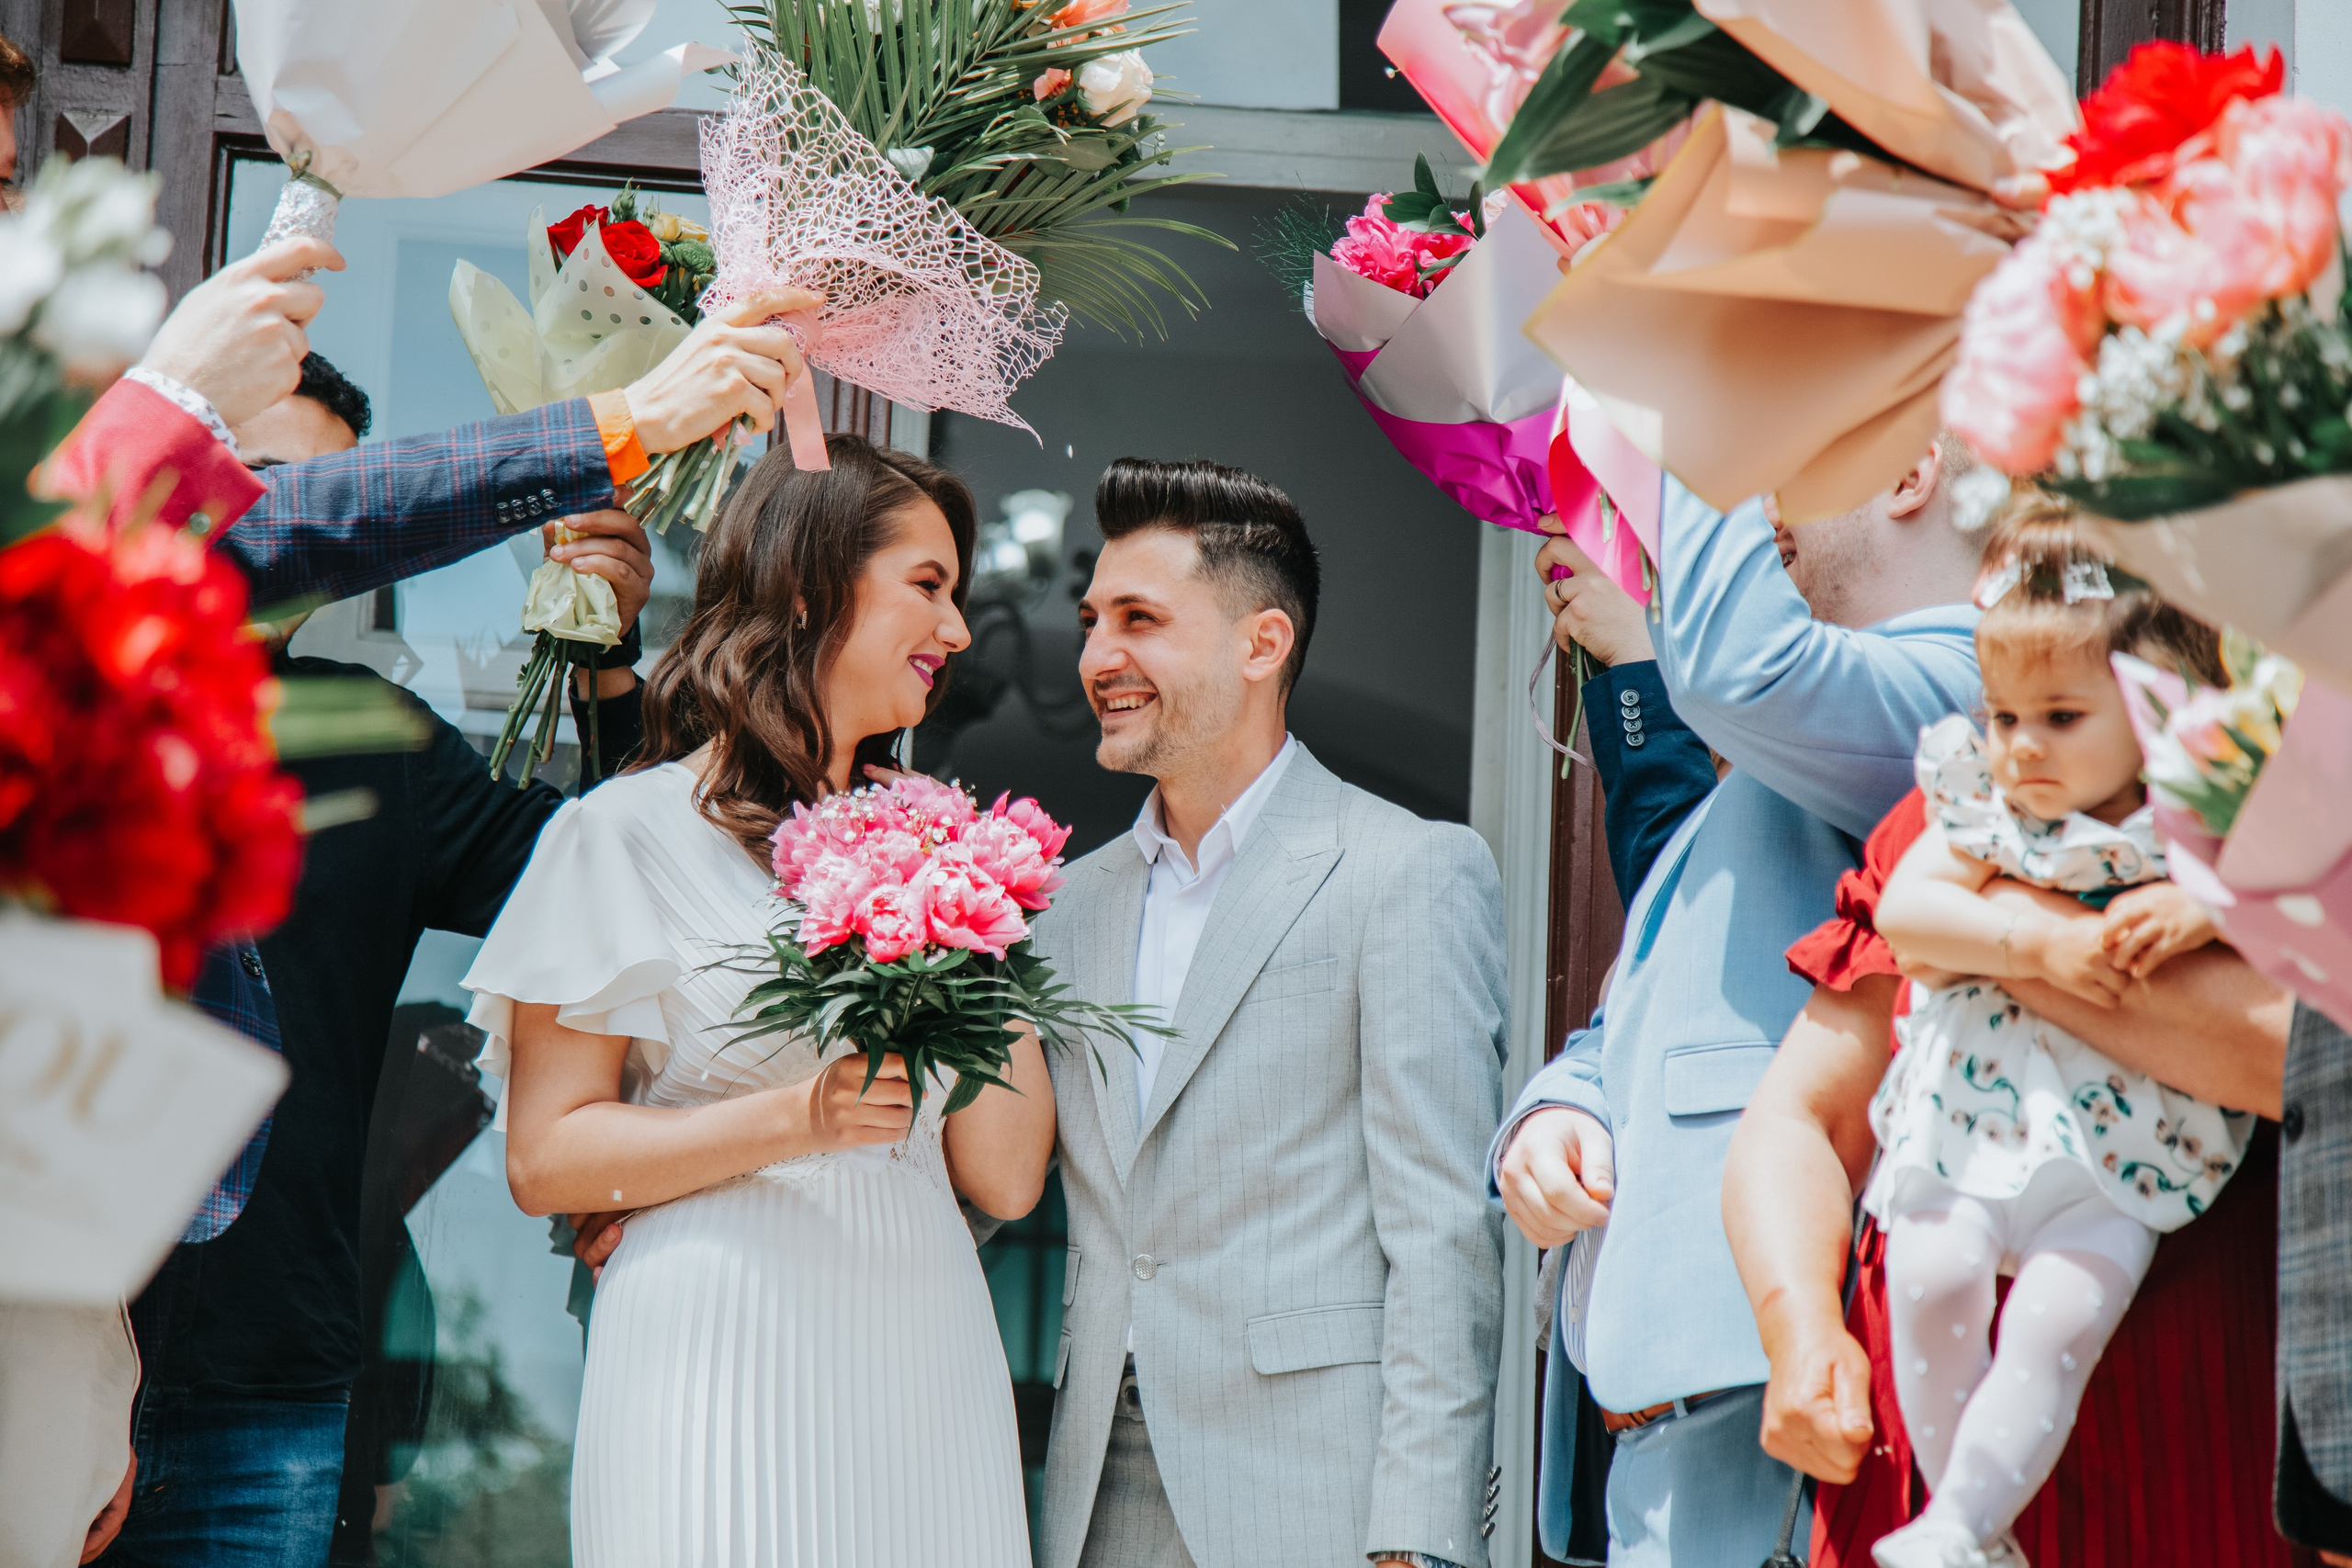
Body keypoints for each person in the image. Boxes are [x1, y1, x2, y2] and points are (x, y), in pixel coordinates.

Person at [89, 355, 653, 1568]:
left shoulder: (373, 738)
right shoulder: (60, 697)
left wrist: (608, 654)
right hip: (42, 1350)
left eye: (315, 492)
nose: (285, 522)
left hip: (270, 1391)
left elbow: (606, 874)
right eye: (251, 481)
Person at [466, 434, 1051, 1567]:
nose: (958, 632)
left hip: (924, 1343)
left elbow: (1008, 1176)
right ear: (807, 583)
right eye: (927, 587)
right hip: (711, 1347)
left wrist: (977, 900)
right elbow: (546, 1156)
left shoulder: (942, 838)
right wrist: (800, 1119)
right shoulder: (620, 835)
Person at [1724, 510, 2295, 1568]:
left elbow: (2286, 1057)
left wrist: (2017, 944)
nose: (2025, 742)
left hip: (2187, 1479)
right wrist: (1797, 1327)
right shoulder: (1952, 818)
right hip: (1905, 1493)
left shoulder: (2260, 836)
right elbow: (1803, 1115)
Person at [1494, 442, 1988, 1566]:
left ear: (1911, 474)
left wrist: (1703, 392)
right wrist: (1563, 1101)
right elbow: (1665, 996)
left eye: (1789, 457)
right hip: (1676, 1414)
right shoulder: (1785, 766)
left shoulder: (1967, 695)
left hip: (1782, 1398)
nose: (1766, 514)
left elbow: (1736, 669)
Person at [1028, 457, 1508, 1568]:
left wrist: (1419, 1538)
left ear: (1262, 644)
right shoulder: (1058, 907)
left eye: (1140, 619)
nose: (1100, 657)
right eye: (1093, 620)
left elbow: (1442, 1234)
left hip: (1321, 1494)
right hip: (1095, 1484)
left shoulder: (1407, 871)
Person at [1862, 531, 2250, 1568]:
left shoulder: (2202, 821)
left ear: (2153, 707)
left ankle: (1960, 1520)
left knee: (2056, 1329)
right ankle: (1965, 1525)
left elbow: (2286, 899)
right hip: (1969, 1129)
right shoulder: (1985, 812)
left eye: (2060, 718)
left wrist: (2200, 904)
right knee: (1932, 1277)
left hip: (2120, 1159)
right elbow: (1910, 915)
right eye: (2002, 719)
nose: (2021, 747)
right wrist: (2039, 939)